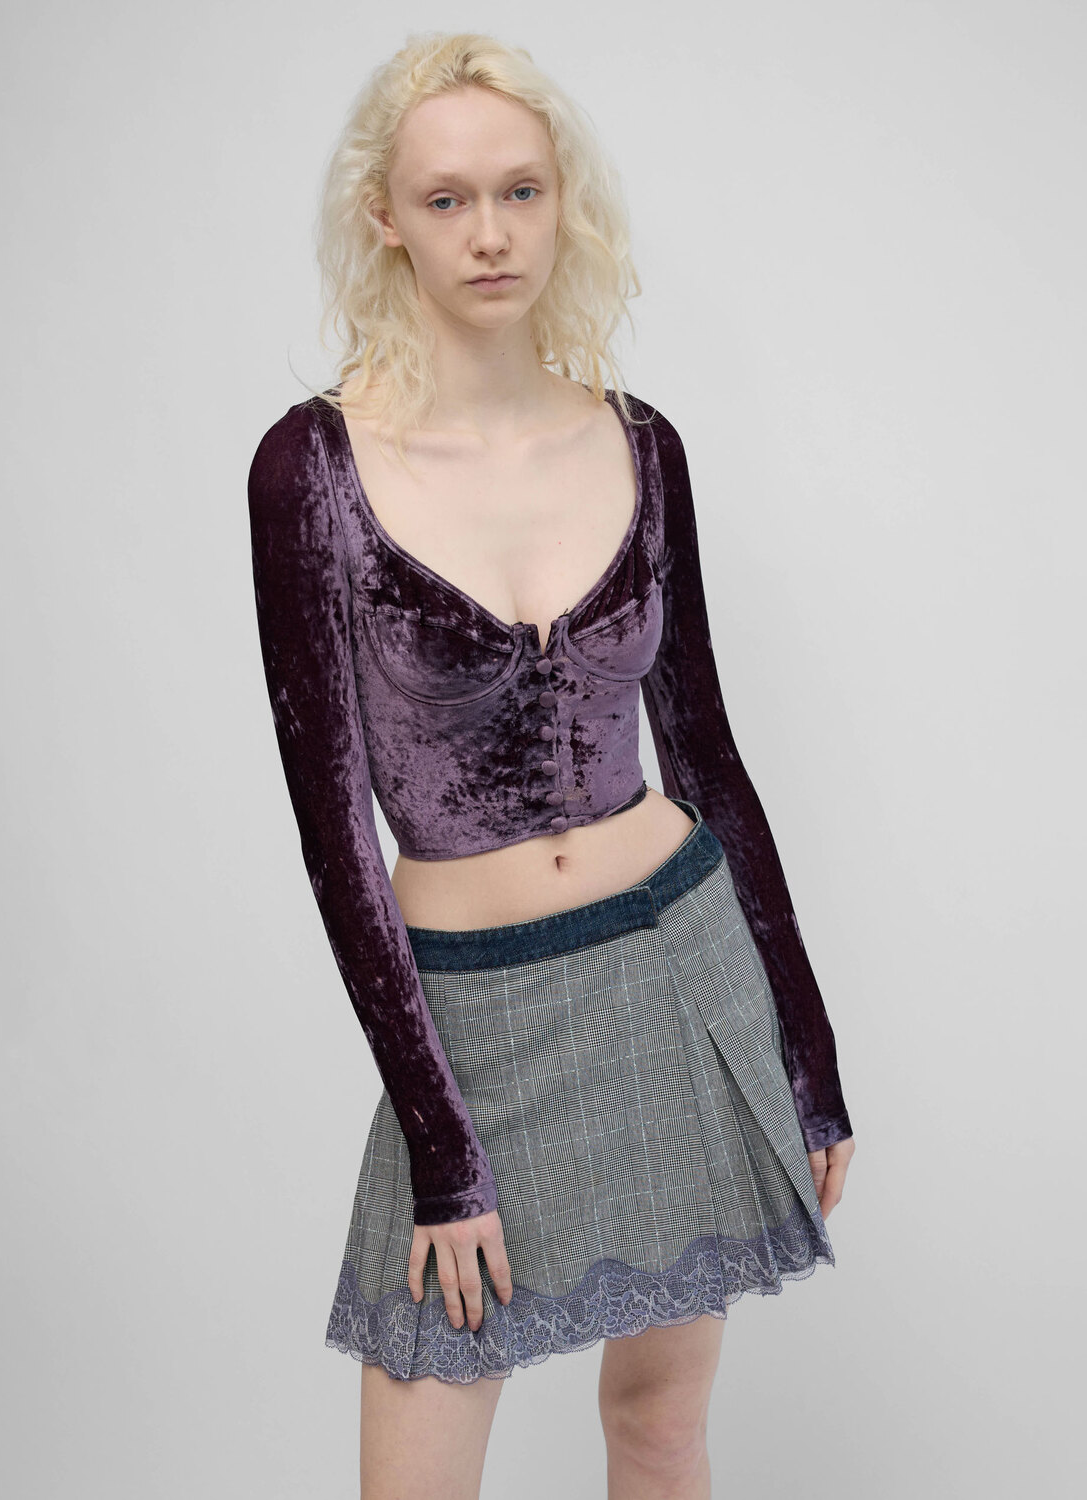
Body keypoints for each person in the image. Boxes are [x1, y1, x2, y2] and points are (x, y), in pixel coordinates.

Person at [247, 30, 855, 1500]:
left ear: (562, 203)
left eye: (520, 191)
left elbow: (706, 754)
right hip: (473, 1016)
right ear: (384, 219)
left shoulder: (640, 444)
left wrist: (808, 1049)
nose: (490, 233)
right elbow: (335, 834)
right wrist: (441, 1143)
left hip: (677, 969)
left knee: (658, 1429)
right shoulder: (311, 469)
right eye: (446, 199)